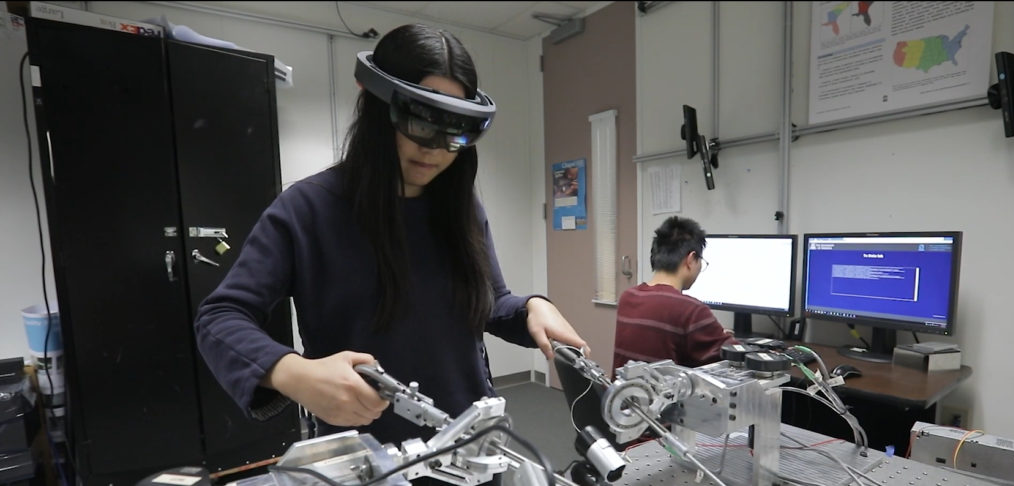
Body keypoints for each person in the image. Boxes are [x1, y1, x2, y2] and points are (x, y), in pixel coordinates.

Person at [193, 23, 588, 476]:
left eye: (453, 134)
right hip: (367, 462)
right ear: (377, 107)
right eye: (420, 123)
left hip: (470, 450)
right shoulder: (307, 209)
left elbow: (491, 303)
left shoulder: (460, 209)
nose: (435, 151)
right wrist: (294, 374)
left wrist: (533, 308)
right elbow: (220, 317)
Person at [612, 216, 737, 370]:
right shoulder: (691, 310)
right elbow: (735, 354)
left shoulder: (628, 297)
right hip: (662, 394)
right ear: (691, 260)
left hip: (623, 393)